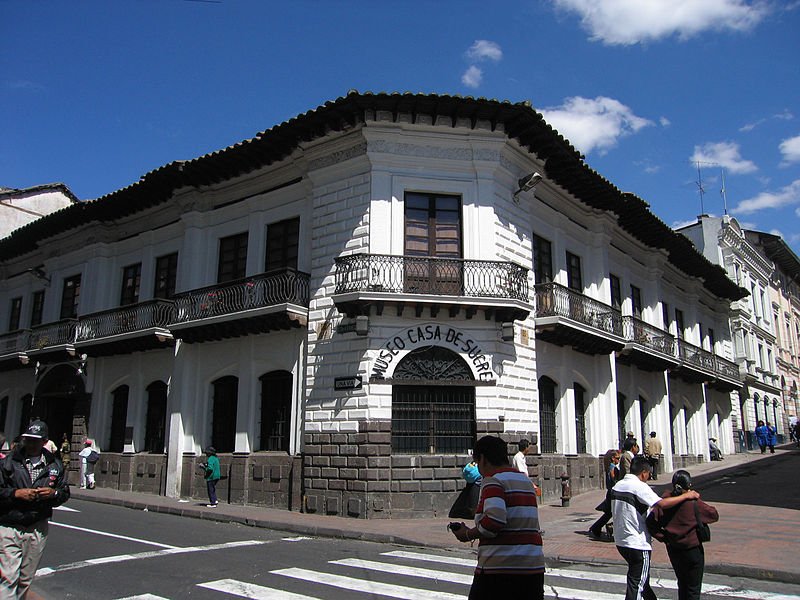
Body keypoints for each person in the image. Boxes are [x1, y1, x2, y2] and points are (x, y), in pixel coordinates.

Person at [449, 435, 544, 599]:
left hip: (501, 571)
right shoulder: (525, 481)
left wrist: (467, 534)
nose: (479, 468)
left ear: (483, 459)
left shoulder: (493, 480)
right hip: (533, 568)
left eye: (477, 463)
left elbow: (494, 521)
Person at [611, 455, 700, 600]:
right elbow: (661, 504)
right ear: (644, 472)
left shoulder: (618, 485)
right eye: (649, 474)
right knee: (637, 584)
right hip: (637, 543)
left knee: (641, 579)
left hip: (621, 540)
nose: (649, 476)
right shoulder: (639, 487)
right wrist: (686, 496)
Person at [0, 420, 70, 599]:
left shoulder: (54, 465)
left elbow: (64, 492)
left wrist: (53, 493)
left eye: (35, 440)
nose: (31, 444)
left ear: (44, 441)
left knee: (25, 578)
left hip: (37, 527)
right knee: (8, 578)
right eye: (28, 439)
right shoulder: (9, 462)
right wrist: (16, 494)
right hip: (10, 525)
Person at [648, 470, 719, 600]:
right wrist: (696, 498)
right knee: (693, 588)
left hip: (674, 548)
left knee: (682, 583)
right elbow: (713, 514)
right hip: (692, 549)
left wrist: (664, 538)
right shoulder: (692, 502)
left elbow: (651, 523)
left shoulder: (665, 502)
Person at [588, 449, 620, 540]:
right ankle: (598, 528)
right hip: (612, 493)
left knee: (609, 513)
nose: (618, 460)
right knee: (612, 513)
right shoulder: (613, 467)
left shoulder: (609, 466)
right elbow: (614, 480)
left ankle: (596, 528)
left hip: (610, 493)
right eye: (617, 458)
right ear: (613, 458)